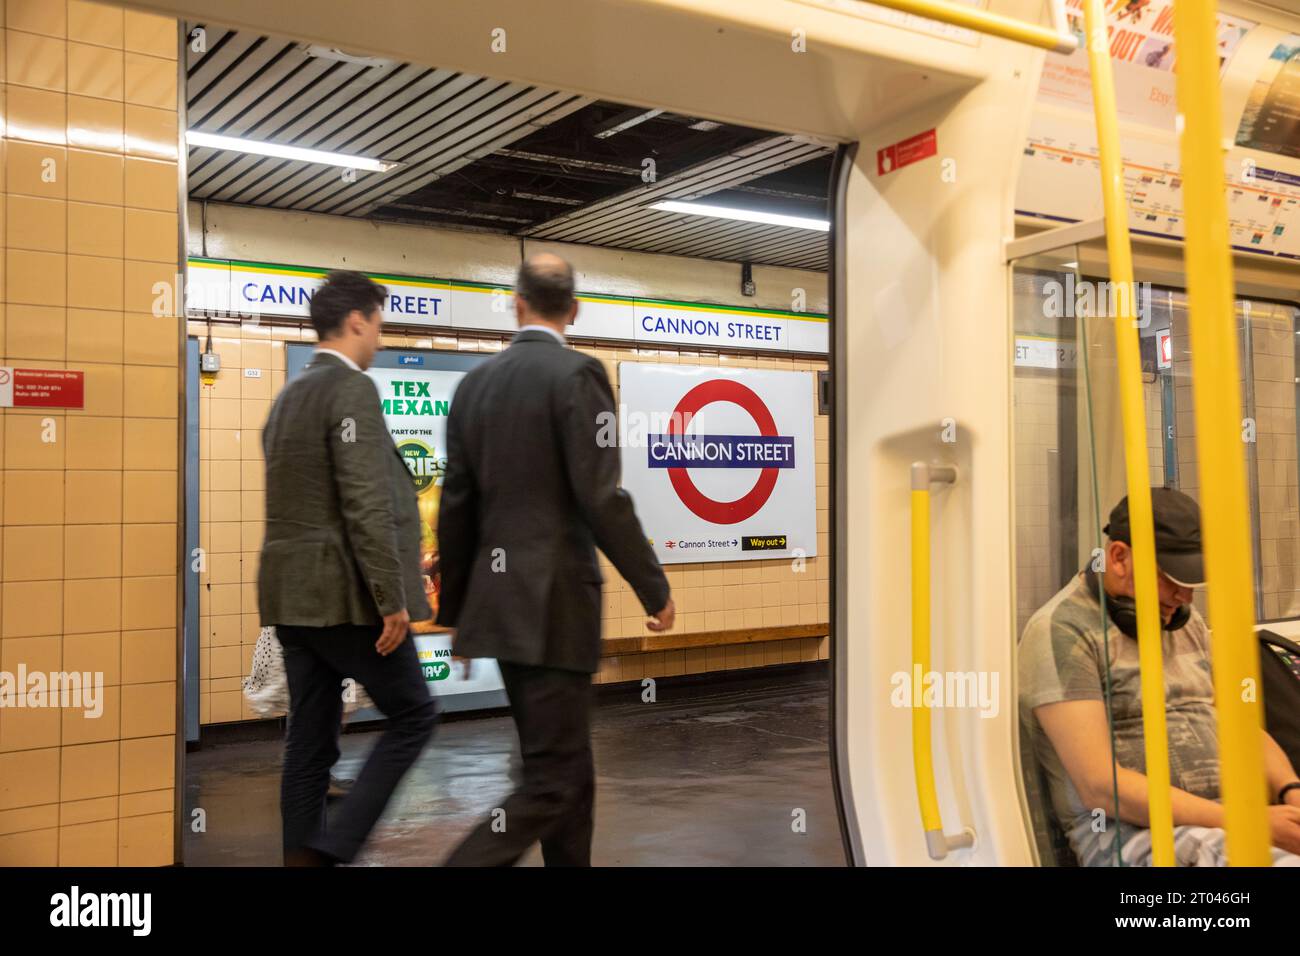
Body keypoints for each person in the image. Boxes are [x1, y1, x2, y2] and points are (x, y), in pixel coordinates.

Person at [436, 252, 675, 866]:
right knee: (553, 780)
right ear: (574, 309)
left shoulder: (473, 387)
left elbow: (457, 509)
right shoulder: (580, 378)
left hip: (502, 608)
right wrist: (653, 587)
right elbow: (603, 496)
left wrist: (457, 615)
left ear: (516, 305)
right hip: (557, 608)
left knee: (569, 767)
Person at [259, 270, 437, 866]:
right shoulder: (352, 389)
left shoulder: (287, 398)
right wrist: (390, 597)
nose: (380, 338)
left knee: (309, 744)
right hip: (347, 600)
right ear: (357, 319)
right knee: (414, 714)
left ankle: (300, 861)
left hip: (291, 601)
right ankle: (335, 848)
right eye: (379, 324)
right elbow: (364, 502)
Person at [1019, 487, 1300, 866]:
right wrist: (1245, 821)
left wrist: (1289, 789)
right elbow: (1101, 787)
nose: (1184, 596)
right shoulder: (1062, 631)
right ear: (1119, 557)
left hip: (1229, 816)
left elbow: (1238, 724)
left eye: (1192, 582)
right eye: (1171, 579)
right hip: (1136, 835)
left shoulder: (1183, 622)